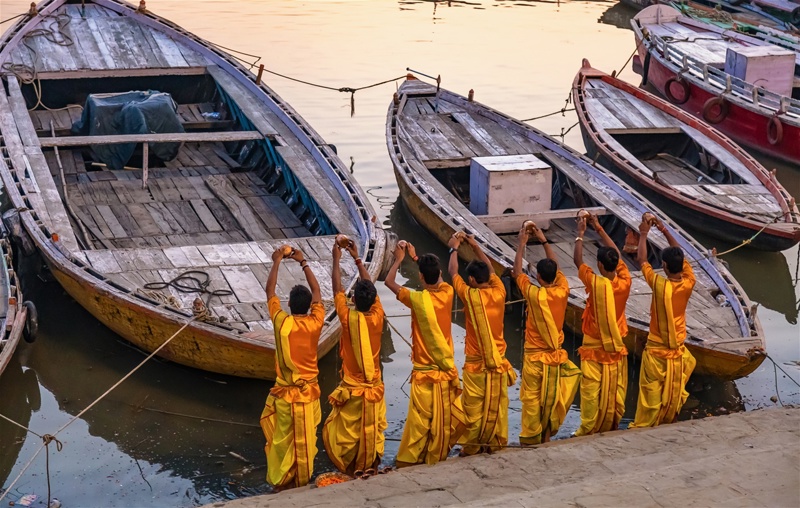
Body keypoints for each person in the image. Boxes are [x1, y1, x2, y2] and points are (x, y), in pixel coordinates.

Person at [384, 240, 466, 467]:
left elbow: (388, 282)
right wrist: (416, 257)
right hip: (445, 371)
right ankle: (437, 453)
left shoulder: (418, 300)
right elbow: (436, 277)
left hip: (424, 374)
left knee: (420, 422)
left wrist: (400, 259)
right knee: (442, 419)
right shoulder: (448, 292)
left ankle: (410, 461)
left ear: (420, 278)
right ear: (439, 273)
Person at [260, 245, 324, 490]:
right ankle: (302, 477)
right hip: (310, 395)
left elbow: (269, 291)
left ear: (288, 304)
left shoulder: (280, 321)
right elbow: (317, 290)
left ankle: (282, 481)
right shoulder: (316, 321)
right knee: (306, 439)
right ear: (309, 306)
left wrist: (277, 261)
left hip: (287, 396)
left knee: (283, 441)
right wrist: (303, 261)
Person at [322, 238, 387, 475]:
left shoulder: (348, 319)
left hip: (353, 388)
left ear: (354, 301)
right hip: (374, 387)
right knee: (372, 430)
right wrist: (358, 259)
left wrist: (336, 258)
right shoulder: (378, 314)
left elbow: (337, 288)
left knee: (345, 434)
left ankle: (351, 469)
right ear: (373, 301)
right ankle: (370, 464)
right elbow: (369, 284)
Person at [448, 233, 516, 455]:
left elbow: (452, 272)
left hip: (477, 366)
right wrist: (475, 245)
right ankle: (495, 443)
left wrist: (454, 248)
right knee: (497, 407)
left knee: (473, 410)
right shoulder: (500, 291)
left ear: (472, 281)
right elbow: (490, 268)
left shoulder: (469, 295)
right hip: (499, 363)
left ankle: (471, 449)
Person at [512, 224, 581, 445]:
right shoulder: (563, 289)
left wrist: (522, 244)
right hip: (554, 357)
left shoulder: (533, 293)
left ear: (538, 276)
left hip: (534, 357)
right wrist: (543, 240)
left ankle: (530, 438)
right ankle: (547, 436)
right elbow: (557, 267)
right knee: (550, 398)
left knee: (532, 400)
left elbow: (517, 273)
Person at [629, 215, 697, 428]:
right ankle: (670, 419)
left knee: (651, 395)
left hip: (657, 352)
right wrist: (665, 230)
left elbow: (642, 260)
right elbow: (681, 257)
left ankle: (648, 425)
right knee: (672, 393)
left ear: (665, 266)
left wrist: (643, 234)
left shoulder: (659, 285)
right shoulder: (689, 282)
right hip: (677, 351)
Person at [573, 214, 631, 436]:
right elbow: (615, 252)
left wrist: (580, 234)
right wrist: (599, 228)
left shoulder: (595, 283)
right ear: (616, 264)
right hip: (615, 346)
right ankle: (610, 423)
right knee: (613, 388)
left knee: (590, 391)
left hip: (593, 347)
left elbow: (578, 262)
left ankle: (588, 428)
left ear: (598, 264)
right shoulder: (625, 282)